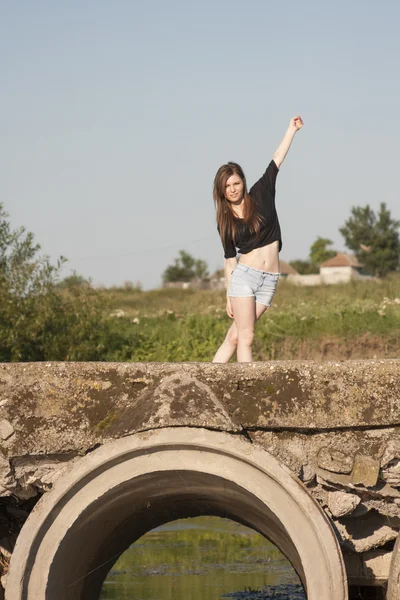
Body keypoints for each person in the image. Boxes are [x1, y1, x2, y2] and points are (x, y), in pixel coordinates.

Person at [212, 116, 304, 363]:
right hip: (244, 279)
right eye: (227, 186)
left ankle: (206, 379)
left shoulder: (262, 193)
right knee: (247, 336)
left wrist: (291, 130)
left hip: (270, 280)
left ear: (243, 181)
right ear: (221, 191)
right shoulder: (225, 221)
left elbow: (277, 158)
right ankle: (246, 393)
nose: (232, 189)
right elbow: (230, 261)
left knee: (234, 337)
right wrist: (229, 296)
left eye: (236, 183)